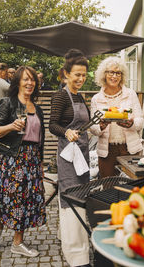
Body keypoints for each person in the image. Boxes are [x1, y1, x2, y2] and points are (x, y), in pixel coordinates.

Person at [0, 66, 46, 257]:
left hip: (32, 159)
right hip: (12, 158)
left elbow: (40, 139)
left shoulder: (37, 108)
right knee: (9, 198)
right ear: (18, 82)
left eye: (32, 80)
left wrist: (40, 164)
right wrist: (11, 126)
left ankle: (17, 242)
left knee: (26, 200)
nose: (30, 83)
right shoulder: (7, 103)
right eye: (25, 79)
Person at [49, 49, 91, 267]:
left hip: (82, 154)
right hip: (67, 155)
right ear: (66, 74)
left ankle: (72, 239)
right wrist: (66, 132)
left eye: (84, 75)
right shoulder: (60, 96)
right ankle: (77, 255)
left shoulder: (79, 96)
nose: (81, 79)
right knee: (70, 198)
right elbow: (52, 124)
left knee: (81, 197)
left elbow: (85, 124)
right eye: (77, 75)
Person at [90, 56, 144, 178]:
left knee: (131, 186)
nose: (114, 76)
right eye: (111, 72)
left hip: (129, 148)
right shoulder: (96, 99)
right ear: (104, 74)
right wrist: (101, 126)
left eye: (118, 73)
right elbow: (93, 128)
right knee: (108, 186)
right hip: (107, 151)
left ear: (122, 75)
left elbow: (140, 121)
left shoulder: (131, 94)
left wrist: (131, 124)